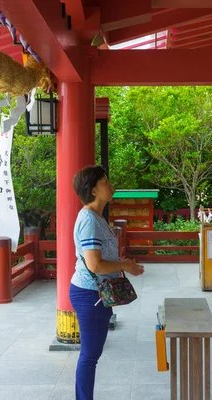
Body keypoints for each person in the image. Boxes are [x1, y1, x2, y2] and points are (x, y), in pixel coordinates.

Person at [69, 165, 145, 400]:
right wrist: (124, 265)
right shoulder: (90, 220)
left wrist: (124, 264)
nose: (110, 185)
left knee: (93, 353)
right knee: (90, 355)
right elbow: (95, 265)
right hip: (89, 293)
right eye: (105, 182)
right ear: (93, 190)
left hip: (96, 292)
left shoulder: (96, 216)